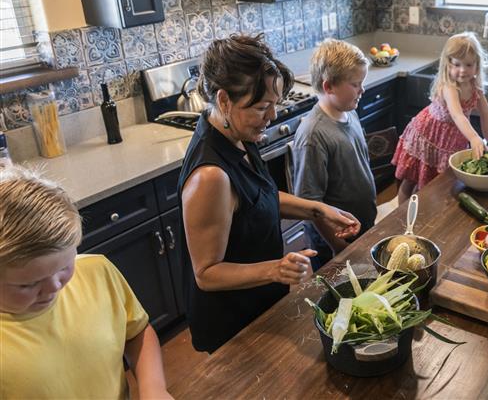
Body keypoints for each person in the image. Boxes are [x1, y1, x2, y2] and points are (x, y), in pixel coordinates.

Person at [179, 34, 361, 353]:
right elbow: (206, 273)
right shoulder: (211, 177)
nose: (273, 116)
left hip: (261, 301)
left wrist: (316, 209)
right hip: (233, 324)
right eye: (264, 107)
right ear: (224, 100)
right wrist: (275, 269)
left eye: (274, 105)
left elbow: (256, 197)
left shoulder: (236, 132)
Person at [0, 164, 171, 399]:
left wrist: (153, 389)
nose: (55, 287)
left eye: (64, 267)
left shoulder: (95, 271)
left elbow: (137, 332)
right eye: (28, 285)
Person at [392, 32, 488, 204]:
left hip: (451, 141)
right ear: (447, 64)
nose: (462, 70)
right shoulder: (449, 87)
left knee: (437, 184)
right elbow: (457, 115)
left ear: (477, 65)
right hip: (427, 135)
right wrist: (475, 137)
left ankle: (426, 213)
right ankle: (400, 215)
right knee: (410, 181)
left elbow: (486, 113)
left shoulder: (474, 86)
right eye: (457, 64)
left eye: (468, 64)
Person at [292, 39, 376, 269]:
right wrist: (339, 248)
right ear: (328, 86)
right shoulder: (313, 135)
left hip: (360, 227)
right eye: (356, 84)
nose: (362, 90)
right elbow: (310, 203)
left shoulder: (348, 110)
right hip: (334, 241)